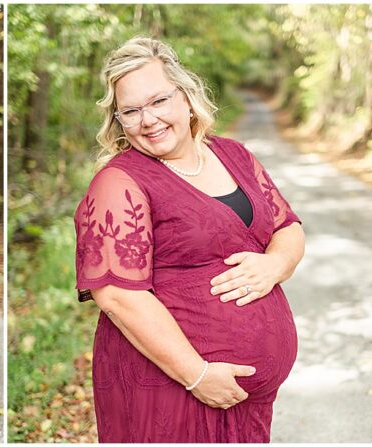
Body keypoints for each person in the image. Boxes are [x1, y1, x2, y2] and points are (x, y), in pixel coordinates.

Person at [74, 37, 305, 442]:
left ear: (186, 95)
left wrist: (275, 265)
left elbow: (287, 227)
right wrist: (196, 375)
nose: (148, 120)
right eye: (131, 110)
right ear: (118, 121)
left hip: (246, 403)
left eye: (159, 101)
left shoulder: (234, 154)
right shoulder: (119, 182)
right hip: (170, 386)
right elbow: (116, 295)